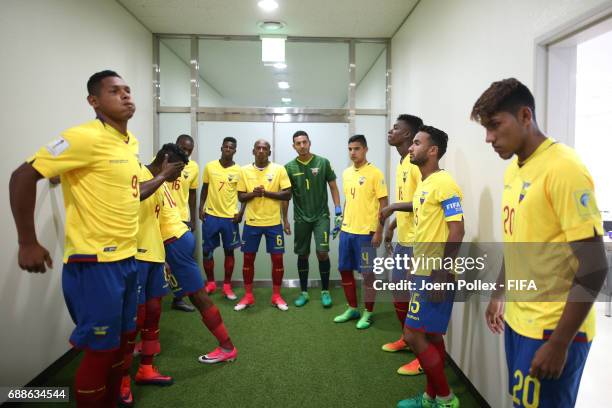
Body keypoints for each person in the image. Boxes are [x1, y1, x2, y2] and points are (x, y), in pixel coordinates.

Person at [9, 70, 181, 407]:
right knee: (101, 352)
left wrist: (160, 177)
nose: (126, 95)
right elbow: (23, 176)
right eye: (115, 91)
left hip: (129, 259)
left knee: (123, 345)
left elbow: (128, 194)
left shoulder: (129, 144)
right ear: (94, 101)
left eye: (128, 90)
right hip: (94, 264)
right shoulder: (82, 137)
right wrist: (27, 241)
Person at [472, 78, 607, 408]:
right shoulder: (514, 171)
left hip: (554, 328)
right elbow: (518, 242)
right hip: (520, 321)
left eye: (495, 125)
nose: (489, 138)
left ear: (525, 116)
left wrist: (560, 342)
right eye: (485, 129)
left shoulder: (564, 168)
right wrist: (500, 292)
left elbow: (595, 266)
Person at [150, 143, 239, 365]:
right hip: (162, 243)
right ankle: (149, 346)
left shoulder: (154, 178)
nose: (178, 177)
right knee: (151, 297)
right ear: (165, 161)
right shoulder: (150, 176)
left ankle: (227, 346)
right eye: (177, 171)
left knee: (197, 296)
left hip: (175, 241)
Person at [397, 126, 464, 408]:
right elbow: (428, 230)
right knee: (431, 334)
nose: (411, 148)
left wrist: (441, 272)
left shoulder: (445, 183)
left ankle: (446, 399)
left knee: (413, 334)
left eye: (416, 143)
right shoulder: (424, 184)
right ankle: (430, 398)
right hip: (424, 270)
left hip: (437, 273)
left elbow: (457, 230)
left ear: (432, 150)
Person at [379, 114, 425, 376]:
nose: (391, 131)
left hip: (418, 244)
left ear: (408, 135)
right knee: (398, 293)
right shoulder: (402, 162)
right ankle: (408, 339)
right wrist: (393, 225)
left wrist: (392, 208)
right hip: (403, 239)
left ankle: (422, 355)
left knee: (417, 301)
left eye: (396, 128)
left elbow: (423, 201)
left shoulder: (417, 163)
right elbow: (409, 200)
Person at [282, 130, 341, 308]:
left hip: (321, 216)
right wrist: (284, 219)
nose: (302, 146)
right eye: (298, 143)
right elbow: (286, 196)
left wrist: (338, 210)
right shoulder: (289, 167)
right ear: (294, 146)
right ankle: (304, 292)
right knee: (303, 254)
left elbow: (333, 186)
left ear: (309, 143)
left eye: (304, 142)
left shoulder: (322, 162)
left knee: (322, 252)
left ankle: (325, 291)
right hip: (300, 218)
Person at [334, 134, 388, 329]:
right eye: (350, 149)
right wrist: (342, 223)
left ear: (365, 149)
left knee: (367, 274)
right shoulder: (346, 173)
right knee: (344, 270)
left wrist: (379, 231)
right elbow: (349, 199)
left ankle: (368, 312)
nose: (353, 152)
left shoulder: (375, 173)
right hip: (347, 231)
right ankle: (352, 308)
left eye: (356, 148)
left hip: (366, 233)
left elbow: (384, 204)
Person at [234, 139, 292, 311]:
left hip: (274, 223)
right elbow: (241, 197)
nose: (261, 151)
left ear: (269, 152)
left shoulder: (279, 169)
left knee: (277, 260)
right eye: (258, 148)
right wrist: (254, 193)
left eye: (264, 148)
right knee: (248, 259)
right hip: (252, 223)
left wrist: (266, 193)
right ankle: (248, 296)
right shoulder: (244, 171)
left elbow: (287, 194)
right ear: (253, 151)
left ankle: (276, 296)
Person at [199, 137, 242, 300]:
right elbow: (205, 188)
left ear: (235, 150)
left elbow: (242, 194)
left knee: (229, 251)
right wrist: (200, 207)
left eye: (231, 147)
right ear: (221, 148)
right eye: (226, 147)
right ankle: (210, 283)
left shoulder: (239, 171)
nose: (228, 149)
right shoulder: (210, 166)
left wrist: (241, 212)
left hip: (230, 218)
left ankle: (227, 285)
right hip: (211, 215)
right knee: (207, 251)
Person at [169, 134, 200, 311]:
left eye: (189, 150)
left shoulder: (193, 167)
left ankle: (178, 298)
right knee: (160, 261)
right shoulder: (161, 161)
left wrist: (193, 219)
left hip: (182, 219)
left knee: (183, 260)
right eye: (183, 148)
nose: (186, 152)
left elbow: (193, 193)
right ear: (176, 145)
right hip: (162, 219)